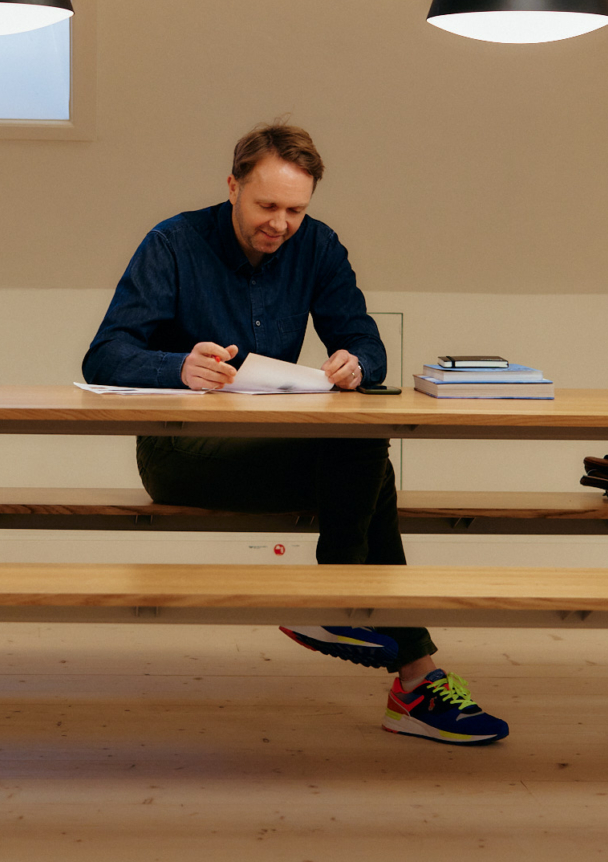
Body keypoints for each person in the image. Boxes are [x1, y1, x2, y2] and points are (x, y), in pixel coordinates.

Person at [82, 121, 509, 746]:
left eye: (296, 210)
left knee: (365, 456)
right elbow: (104, 355)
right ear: (232, 187)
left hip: (273, 444)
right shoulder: (172, 244)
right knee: (369, 469)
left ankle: (378, 642)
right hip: (180, 454)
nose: (281, 224)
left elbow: (364, 340)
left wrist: (357, 363)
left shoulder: (318, 246)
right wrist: (177, 367)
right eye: (267, 206)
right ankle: (371, 638)